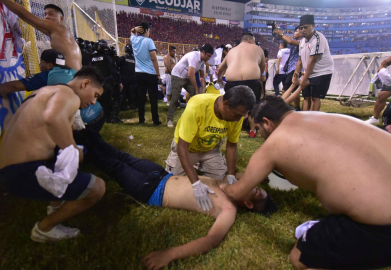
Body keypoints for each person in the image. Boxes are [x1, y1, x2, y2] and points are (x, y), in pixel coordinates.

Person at [224, 96, 391, 269]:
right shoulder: (329, 116)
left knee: (299, 257)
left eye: (258, 129)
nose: (260, 136)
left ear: (267, 122)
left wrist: (223, 185)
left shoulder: (274, 144)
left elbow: (236, 192)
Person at [73, 128, 276, 269]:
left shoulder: (228, 210)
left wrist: (170, 254)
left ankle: (74, 147)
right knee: (121, 156)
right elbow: (246, 175)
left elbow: (211, 240)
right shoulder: (231, 185)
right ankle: (82, 133)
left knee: (114, 165)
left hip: (151, 191)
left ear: (248, 204)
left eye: (256, 191)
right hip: (161, 174)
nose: (253, 186)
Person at [0, 67, 106, 242]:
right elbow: (52, 117)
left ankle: (55, 206)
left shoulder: (44, 91)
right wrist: (73, 151)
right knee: (97, 188)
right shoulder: (70, 95)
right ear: (85, 83)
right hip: (20, 173)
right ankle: (44, 229)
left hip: (4, 167)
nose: (93, 102)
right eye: (96, 95)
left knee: (78, 150)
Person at [165, 86, 255, 211]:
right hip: (188, 149)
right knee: (171, 182)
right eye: (237, 115)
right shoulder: (197, 106)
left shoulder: (237, 115)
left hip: (210, 150)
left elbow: (232, 144)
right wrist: (196, 184)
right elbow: (182, 147)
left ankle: (199, 165)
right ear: (225, 104)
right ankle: (194, 166)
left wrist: (230, 174)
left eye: (242, 116)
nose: (238, 119)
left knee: (222, 182)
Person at [0, 1, 81, 71]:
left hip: (68, 77)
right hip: (75, 75)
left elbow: (25, 15)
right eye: (45, 14)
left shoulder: (56, 27)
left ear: (61, 19)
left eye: (51, 14)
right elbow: (31, 22)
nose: (47, 17)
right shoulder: (63, 32)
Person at [216, 32, 265, 138]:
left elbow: (220, 68)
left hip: (232, 81)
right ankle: (252, 130)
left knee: (231, 106)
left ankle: (228, 129)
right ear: (250, 40)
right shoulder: (257, 48)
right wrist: (261, 76)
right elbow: (262, 66)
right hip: (252, 80)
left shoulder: (231, 51)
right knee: (253, 106)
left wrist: (219, 78)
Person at [0, 49, 75, 95]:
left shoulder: (50, 75)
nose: (39, 65)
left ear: (50, 65)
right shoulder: (73, 71)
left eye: (41, 62)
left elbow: (15, 86)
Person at [166, 44, 214, 128]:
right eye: (209, 56)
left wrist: (203, 89)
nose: (209, 58)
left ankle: (200, 118)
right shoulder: (194, 56)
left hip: (186, 77)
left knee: (198, 97)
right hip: (177, 76)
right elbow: (191, 74)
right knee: (175, 98)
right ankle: (169, 119)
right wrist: (196, 89)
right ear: (203, 52)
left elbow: (202, 76)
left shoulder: (202, 61)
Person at [294, 15, 334, 111]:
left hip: (322, 72)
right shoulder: (302, 41)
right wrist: (295, 75)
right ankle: (304, 119)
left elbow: (312, 61)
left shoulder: (318, 38)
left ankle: (312, 120)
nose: (303, 30)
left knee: (315, 98)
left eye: (306, 27)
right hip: (309, 72)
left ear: (313, 26)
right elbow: (300, 60)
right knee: (306, 97)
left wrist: (304, 79)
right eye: (301, 28)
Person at [131, 22, 162, 126]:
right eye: (148, 30)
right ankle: (155, 120)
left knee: (141, 97)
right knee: (153, 98)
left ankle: (141, 120)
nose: (149, 33)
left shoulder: (134, 40)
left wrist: (135, 29)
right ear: (145, 30)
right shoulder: (149, 41)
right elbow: (153, 58)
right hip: (150, 73)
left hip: (139, 73)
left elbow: (132, 32)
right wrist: (158, 74)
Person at [274, 25, 304, 110]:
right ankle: (297, 107)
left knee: (285, 89)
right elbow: (286, 39)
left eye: (296, 31)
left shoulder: (302, 42)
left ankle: (284, 107)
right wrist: (277, 32)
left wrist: (281, 33)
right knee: (294, 89)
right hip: (291, 68)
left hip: (296, 68)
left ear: (301, 33)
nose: (294, 33)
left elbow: (289, 41)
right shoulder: (295, 40)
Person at [119, 44, 137, 110]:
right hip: (133, 78)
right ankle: (132, 106)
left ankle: (123, 106)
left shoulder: (122, 58)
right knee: (132, 93)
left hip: (124, 78)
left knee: (124, 93)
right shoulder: (135, 59)